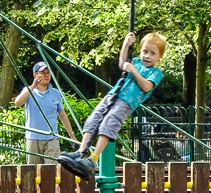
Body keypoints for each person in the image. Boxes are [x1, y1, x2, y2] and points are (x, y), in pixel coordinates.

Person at [60, 32, 166, 174]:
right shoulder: (136, 61)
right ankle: (80, 151)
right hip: (113, 94)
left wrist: (133, 71)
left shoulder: (156, 72)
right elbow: (122, 64)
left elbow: (146, 86)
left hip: (127, 102)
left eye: (152, 53)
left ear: (160, 57)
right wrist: (125, 44)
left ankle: (93, 159)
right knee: (94, 119)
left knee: (108, 124)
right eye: (144, 51)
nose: (147, 56)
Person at [15, 61, 77, 164]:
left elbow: (62, 115)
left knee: (52, 171)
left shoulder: (55, 93)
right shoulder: (28, 91)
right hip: (33, 138)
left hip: (52, 138)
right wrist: (33, 86)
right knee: (33, 172)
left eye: (48, 72)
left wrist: (72, 136)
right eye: (42, 73)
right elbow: (17, 103)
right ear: (35, 75)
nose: (46, 75)